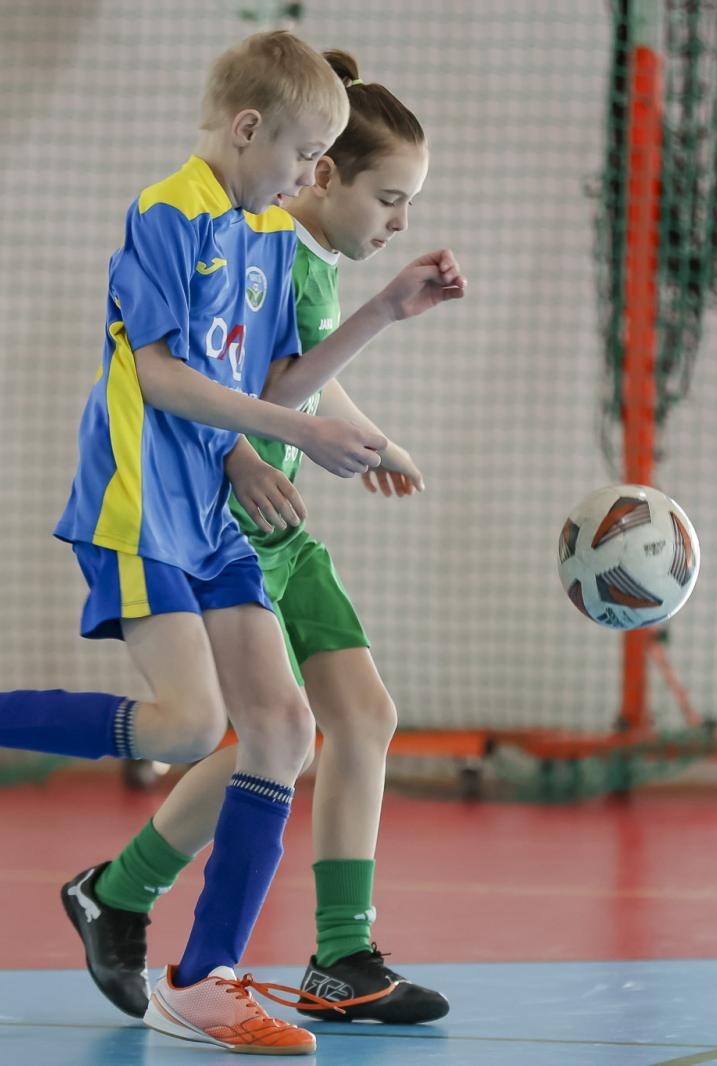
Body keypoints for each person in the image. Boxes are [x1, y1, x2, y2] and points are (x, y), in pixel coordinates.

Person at [0, 29, 464, 1056]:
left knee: (281, 729)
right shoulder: (167, 211)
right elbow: (166, 379)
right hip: (141, 499)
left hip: (213, 516)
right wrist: (299, 434)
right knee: (188, 726)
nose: (306, 179)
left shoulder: (267, 234)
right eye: (301, 156)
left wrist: (384, 314)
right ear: (248, 128)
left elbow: (278, 376)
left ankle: (205, 974)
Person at [63, 50, 448, 1027]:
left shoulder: (303, 257)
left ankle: (343, 954)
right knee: (273, 734)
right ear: (323, 173)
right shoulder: (258, 239)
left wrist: (368, 434)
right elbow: (262, 388)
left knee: (361, 714)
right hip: (233, 518)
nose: (399, 222)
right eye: (389, 199)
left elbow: (304, 376)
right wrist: (261, 445)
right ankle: (126, 887)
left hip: (283, 519)